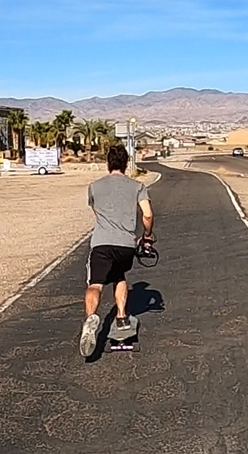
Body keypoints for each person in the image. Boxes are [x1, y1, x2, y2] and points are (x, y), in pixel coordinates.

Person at [79, 145, 154, 357]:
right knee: (119, 276)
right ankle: (121, 316)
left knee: (95, 284)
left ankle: (90, 318)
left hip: (102, 242)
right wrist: (146, 235)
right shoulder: (137, 186)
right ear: (126, 163)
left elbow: (97, 212)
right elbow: (147, 215)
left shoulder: (94, 186)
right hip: (125, 244)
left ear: (108, 163)